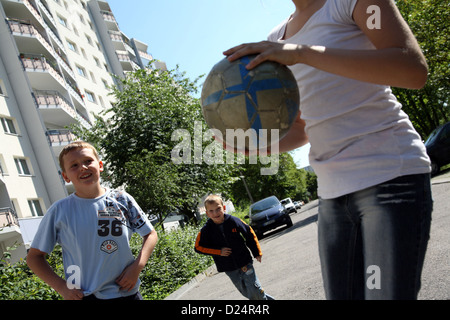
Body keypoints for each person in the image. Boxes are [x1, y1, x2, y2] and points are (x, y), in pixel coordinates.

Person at [224, 0, 432, 299]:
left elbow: (412, 69)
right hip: (333, 195)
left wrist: (303, 53)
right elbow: (304, 126)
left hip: (390, 175)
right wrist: (255, 148)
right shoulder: (275, 38)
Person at [26, 141, 158, 300]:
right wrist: (62, 287)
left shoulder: (121, 199)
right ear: (65, 176)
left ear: (100, 165)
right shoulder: (59, 211)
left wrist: (137, 267)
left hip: (127, 293)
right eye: (74, 165)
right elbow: (34, 258)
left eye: (88, 161)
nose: (82, 167)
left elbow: (150, 234)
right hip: (85, 296)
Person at [195, 194, 274, 300]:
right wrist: (218, 252)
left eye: (218, 209)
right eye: (211, 211)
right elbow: (198, 247)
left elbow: (249, 233)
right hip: (229, 268)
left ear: (223, 208)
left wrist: (256, 252)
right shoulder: (206, 230)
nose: (215, 213)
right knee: (247, 293)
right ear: (207, 214)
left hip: (244, 262)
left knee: (255, 289)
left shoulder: (234, 221)